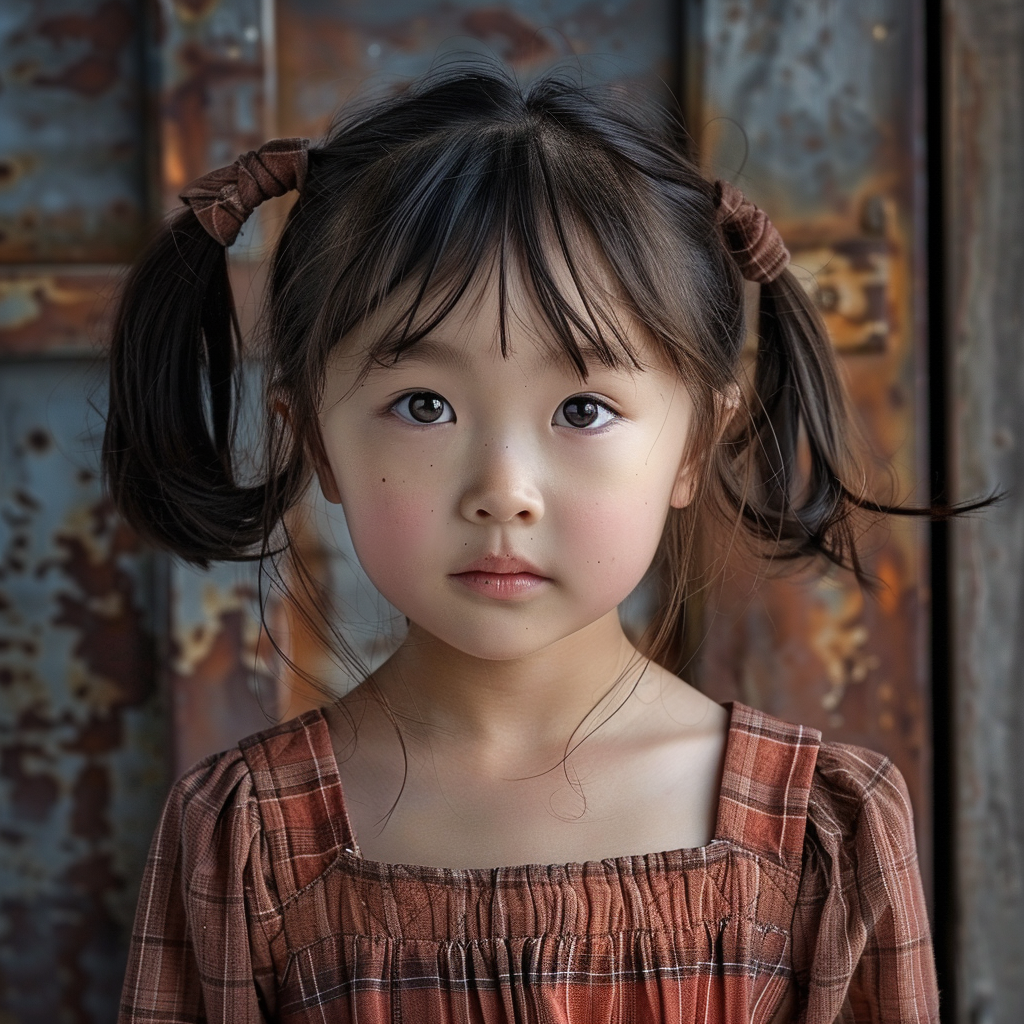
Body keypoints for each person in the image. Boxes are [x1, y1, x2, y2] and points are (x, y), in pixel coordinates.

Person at [106, 62, 949, 1023]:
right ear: (316, 443)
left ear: (691, 449)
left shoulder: (819, 836)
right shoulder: (241, 841)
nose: (503, 491)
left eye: (582, 408)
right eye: (423, 405)